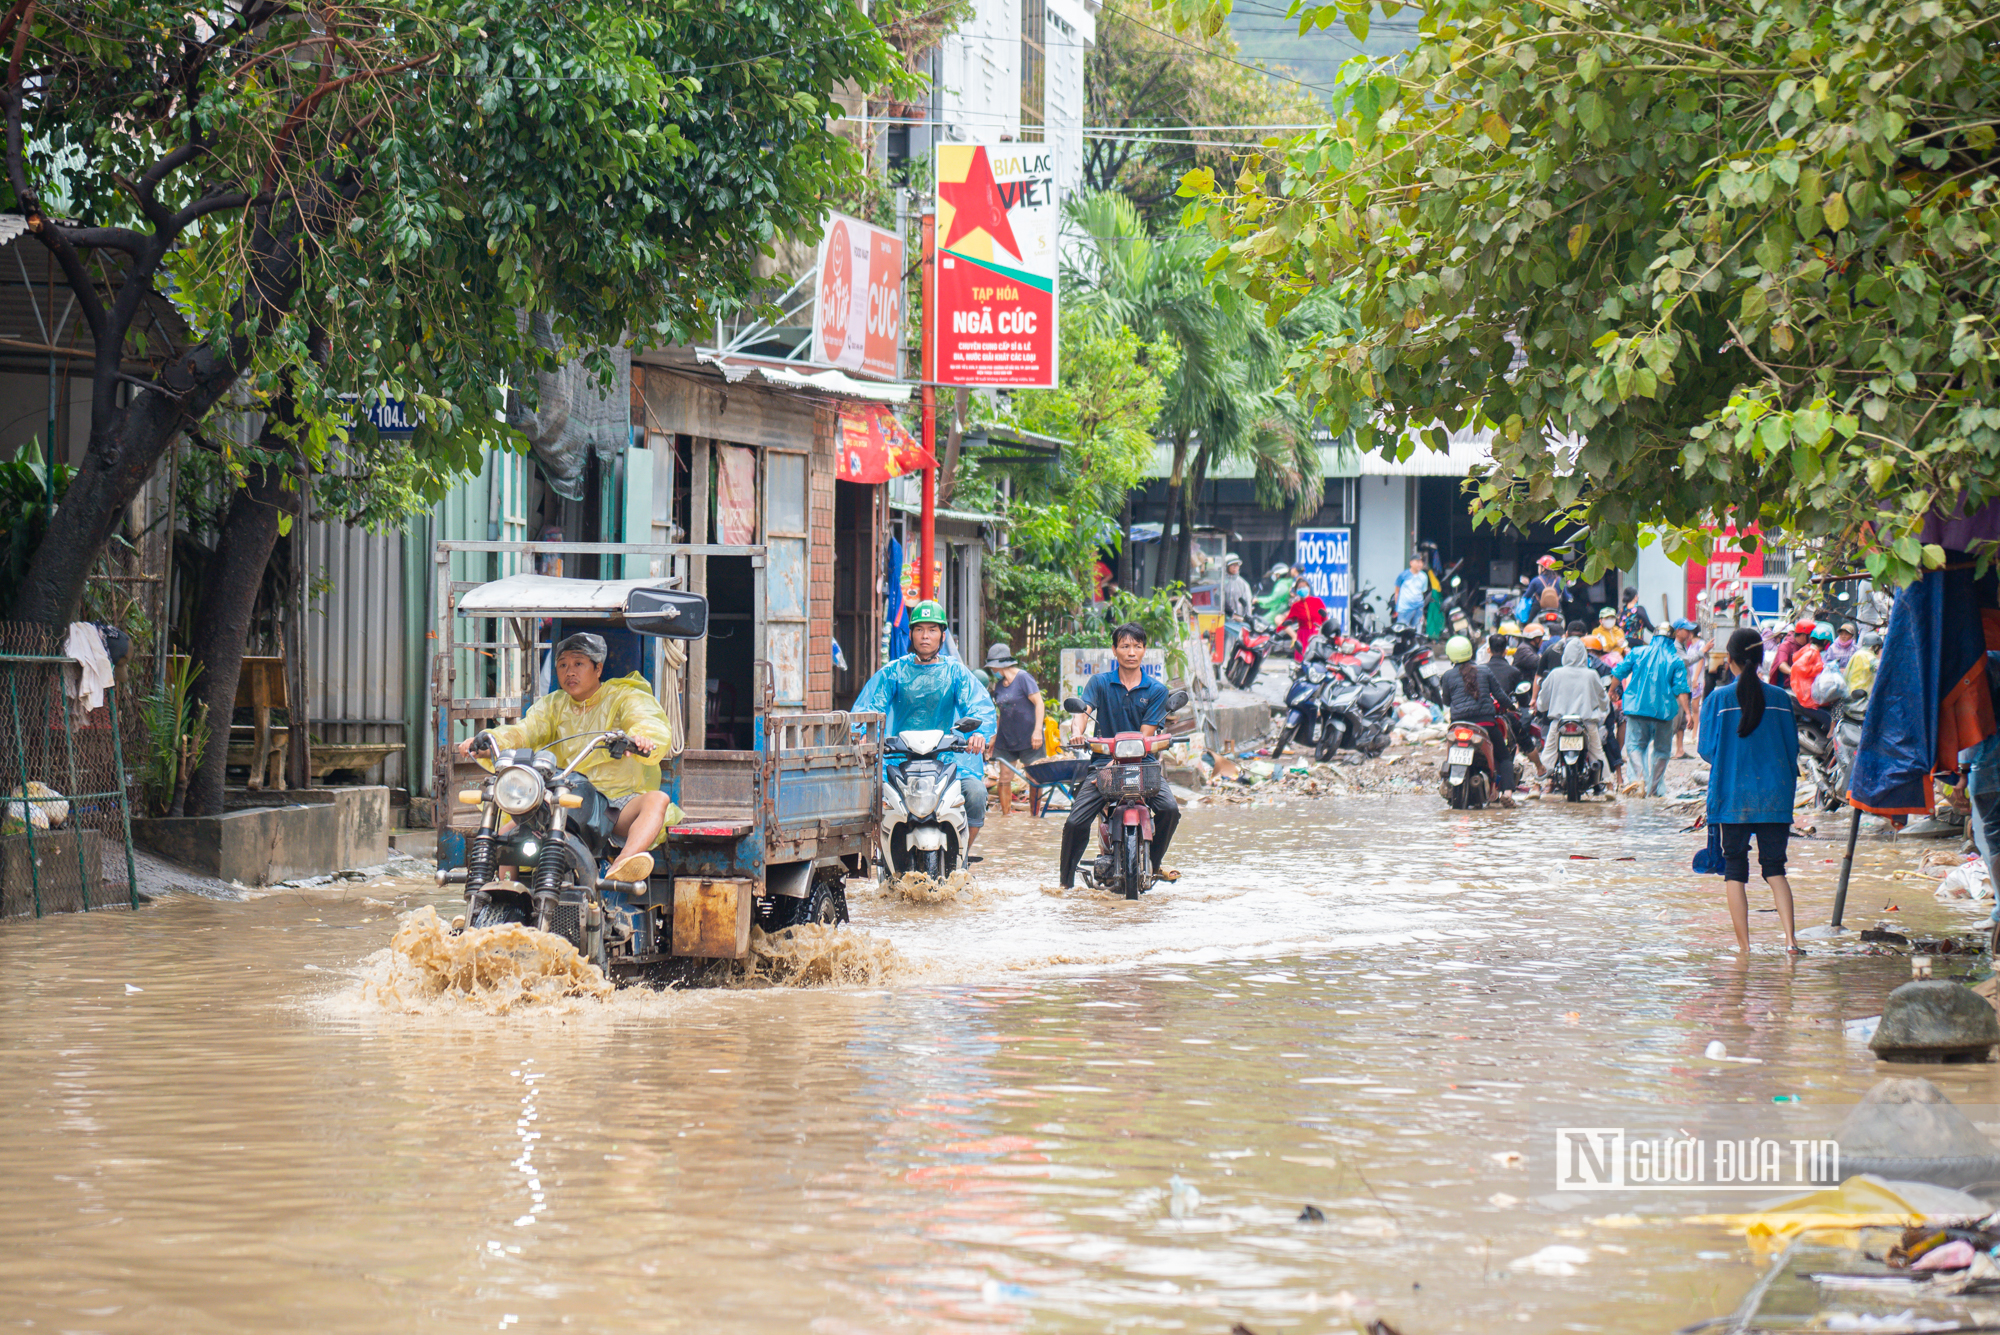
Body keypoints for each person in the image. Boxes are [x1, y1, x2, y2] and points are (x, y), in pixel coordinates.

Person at [458, 631, 676, 884]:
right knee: (507, 834)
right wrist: (489, 740)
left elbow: (647, 722)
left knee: (657, 800)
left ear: (598, 668)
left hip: (614, 802)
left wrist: (641, 739)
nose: (569, 672)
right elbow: (525, 731)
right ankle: (502, 892)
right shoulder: (553, 705)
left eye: (578, 664)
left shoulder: (624, 696)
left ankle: (623, 864)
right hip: (562, 793)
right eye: (562, 665)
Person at [854, 600, 998, 850]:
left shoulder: (956, 672)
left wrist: (978, 734)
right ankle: (880, 855)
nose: (925, 636)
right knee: (868, 797)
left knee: (976, 794)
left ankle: (962, 857)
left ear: (942, 635)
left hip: (949, 762)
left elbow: (978, 706)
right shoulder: (893, 672)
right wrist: (861, 734)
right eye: (919, 629)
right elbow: (870, 706)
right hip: (898, 761)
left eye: (932, 630)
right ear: (911, 634)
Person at [1699, 628, 1802, 954]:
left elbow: (1706, 750)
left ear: (1729, 661)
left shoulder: (1718, 700)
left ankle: (1744, 949)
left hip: (1732, 798)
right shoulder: (1781, 699)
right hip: (1775, 798)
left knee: (1735, 871)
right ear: (1760, 659)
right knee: (1775, 869)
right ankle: (1790, 941)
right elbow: (1792, 748)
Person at [1059, 623, 1180, 889]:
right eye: (1125, 646)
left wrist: (1119, 760)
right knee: (1075, 821)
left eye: (1137, 646)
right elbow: (1083, 711)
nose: (1131, 652)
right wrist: (1077, 731)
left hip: (1144, 766)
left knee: (1170, 810)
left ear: (1144, 650)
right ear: (1115, 650)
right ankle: (1064, 883)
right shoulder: (1100, 683)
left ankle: (1154, 862)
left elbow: (1144, 734)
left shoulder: (1157, 690)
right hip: (1103, 765)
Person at [1614, 626, 1692, 797]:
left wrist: (1612, 690)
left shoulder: (1637, 652)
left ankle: (1640, 778)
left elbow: (1619, 671)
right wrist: (1687, 712)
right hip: (1664, 713)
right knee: (1662, 751)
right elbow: (1681, 688)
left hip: (1637, 710)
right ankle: (1653, 790)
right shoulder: (1675, 660)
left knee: (1635, 746)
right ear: (1672, 640)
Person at [1439, 634, 1517, 804]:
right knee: (1504, 756)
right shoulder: (1484, 670)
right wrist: (1512, 707)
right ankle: (1508, 794)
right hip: (1485, 725)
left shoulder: (1447, 676)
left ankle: (1447, 780)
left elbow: (1446, 701)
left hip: (1458, 726)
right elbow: (1500, 695)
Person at [1537, 638, 1611, 792]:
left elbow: (1543, 698)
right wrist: (1604, 710)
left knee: (1549, 752)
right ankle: (1609, 786)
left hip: (1559, 722)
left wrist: (1541, 707)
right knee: (1596, 752)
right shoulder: (1591, 674)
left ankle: (1537, 786)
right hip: (1586, 722)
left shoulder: (1555, 673)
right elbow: (1603, 698)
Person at [985, 642, 1044, 817]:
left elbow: (1039, 703)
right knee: (1004, 778)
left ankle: (1035, 816)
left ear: (1000, 664)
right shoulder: (999, 685)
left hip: (1028, 736)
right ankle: (1006, 817)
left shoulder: (1024, 678)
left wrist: (1037, 731)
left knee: (1033, 777)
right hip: (1006, 737)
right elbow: (1001, 713)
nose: (992, 669)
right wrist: (995, 736)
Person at [1671, 619, 1705, 758]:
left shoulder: (1684, 645)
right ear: (1678, 631)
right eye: (1686, 630)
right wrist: (1703, 652)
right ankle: (1664, 752)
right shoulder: (1675, 646)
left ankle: (1680, 750)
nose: (1689, 633)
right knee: (1676, 720)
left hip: (1685, 686)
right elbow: (1686, 661)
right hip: (1679, 688)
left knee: (1682, 723)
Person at [1276, 584, 1329, 659]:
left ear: (1309, 588)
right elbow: (1288, 619)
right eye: (1299, 588)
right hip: (1303, 635)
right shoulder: (1296, 605)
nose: (1302, 589)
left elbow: (1325, 618)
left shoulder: (1317, 601)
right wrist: (1276, 632)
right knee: (1301, 659)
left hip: (1316, 634)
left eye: (1304, 587)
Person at [1790, 626, 1828, 711]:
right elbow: (1799, 667)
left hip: (1804, 692)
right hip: (1806, 696)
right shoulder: (1812, 652)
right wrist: (1819, 669)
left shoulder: (1808, 649)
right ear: (1825, 641)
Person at [1769, 621, 1813, 689]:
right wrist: (1794, 672)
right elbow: (1782, 665)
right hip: (1785, 686)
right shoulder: (1786, 645)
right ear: (1804, 635)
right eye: (1810, 636)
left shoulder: (1809, 647)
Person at [1392, 555, 1430, 628]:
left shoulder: (1423, 576)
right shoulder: (1403, 575)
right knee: (1401, 630)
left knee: (1417, 631)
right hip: (1404, 609)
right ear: (1411, 563)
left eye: (1421, 562)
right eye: (1417, 562)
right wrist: (1397, 607)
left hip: (1418, 608)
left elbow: (1422, 592)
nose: (1420, 564)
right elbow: (1397, 592)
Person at [1220, 554, 1254, 622]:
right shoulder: (1221, 583)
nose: (1235, 567)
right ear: (1227, 566)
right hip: (1224, 620)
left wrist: (1248, 618)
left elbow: (1248, 602)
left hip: (1239, 620)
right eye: (1232, 565)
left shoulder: (1243, 584)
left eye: (1237, 565)